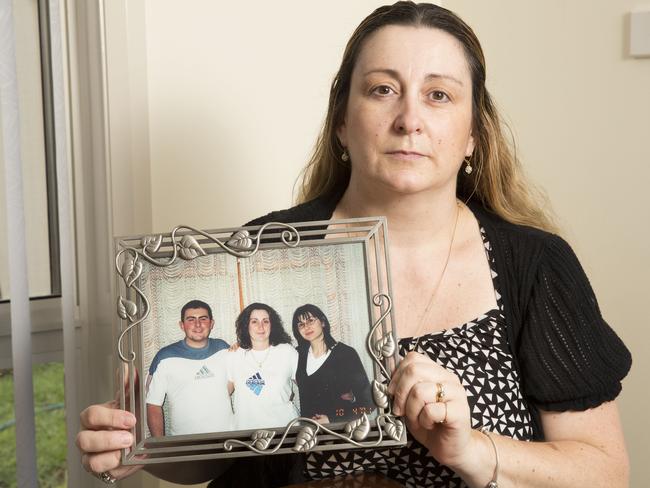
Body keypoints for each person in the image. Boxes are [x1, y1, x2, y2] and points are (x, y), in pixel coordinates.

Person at [77, 2, 632, 486]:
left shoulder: (534, 267)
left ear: (472, 137)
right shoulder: (263, 250)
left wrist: (472, 451)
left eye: (438, 95)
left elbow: (604, 474)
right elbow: (212, 456)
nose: (409, 119)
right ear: (342, 121)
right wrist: (139, 449)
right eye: (382, 89)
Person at [145, 299, 233, 437]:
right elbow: (153, 405)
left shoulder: (223, 348)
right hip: (185, 444)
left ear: (212, 323)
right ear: (182, 325)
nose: (197, 325)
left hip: (227, 440)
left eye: (203, 319)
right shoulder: (164, 357)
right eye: (191, 319)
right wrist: (159, 445)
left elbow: (234, 381)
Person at [291, 303, 373, 424]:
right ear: (298, 331)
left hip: (340, 432)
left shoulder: (346, 354)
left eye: (311, 321)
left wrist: (331, 419)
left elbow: (368, 404)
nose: (306, 327)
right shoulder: (297, 355)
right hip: (308, 433)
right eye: (301, 324)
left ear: (323, 322)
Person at [227, 302, 299, 431]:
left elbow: (308, 386)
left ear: (272, 325)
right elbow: (223, 393)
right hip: (245, 432)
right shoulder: (234, 355)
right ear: (246, 325)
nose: (261, 326)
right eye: (254, 321)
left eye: (265, 321)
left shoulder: (287, 352)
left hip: (285, 430)